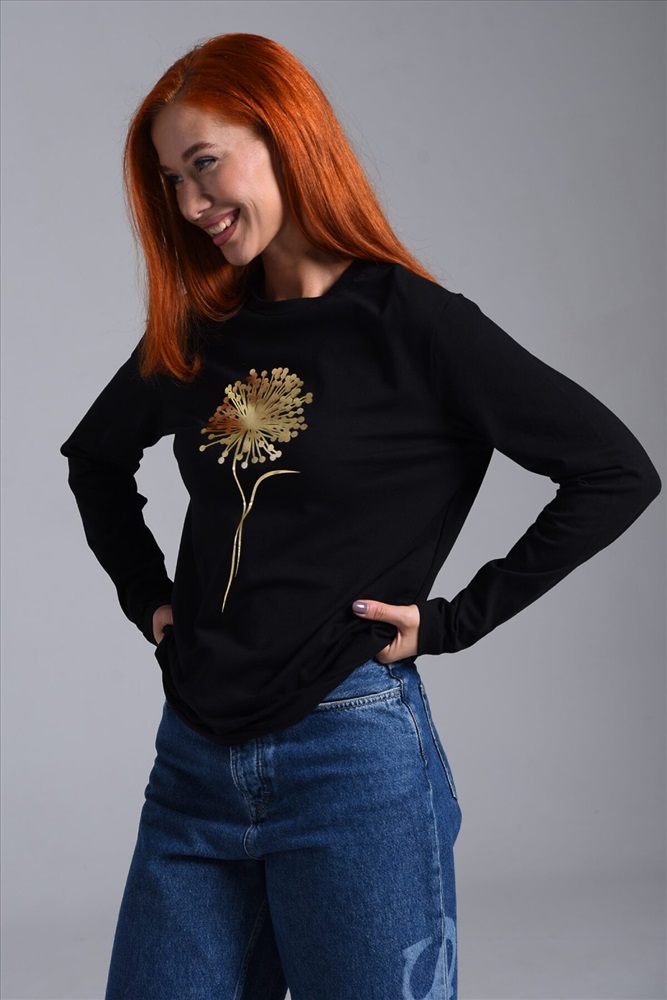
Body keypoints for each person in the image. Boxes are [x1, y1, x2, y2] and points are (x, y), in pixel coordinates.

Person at [59, 32, 661, 1000]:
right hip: (193, 762)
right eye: (172, 181)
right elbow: (94, 460)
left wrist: (454, 620)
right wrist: (150, 600)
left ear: (286, 137)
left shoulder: (415, 324)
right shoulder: (204, 330)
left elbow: (614, 471)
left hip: (350, 759)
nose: (191, 205)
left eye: (204, 165)